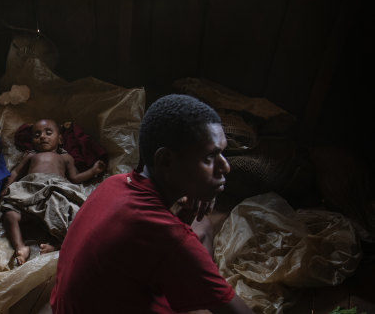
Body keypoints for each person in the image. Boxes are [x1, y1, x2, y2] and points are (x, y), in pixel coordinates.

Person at [51, 94, 254, 313]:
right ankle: (203, 290)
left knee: (201, 225)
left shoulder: (114, 183)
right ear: (166, 161)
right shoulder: (170, 237)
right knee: (196, 250)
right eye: (210, 157)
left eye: (222, 154)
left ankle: (201, 286)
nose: (225, 167)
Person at [0, 119, 105, 265]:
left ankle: (56, 245)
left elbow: (75, 178)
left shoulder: (65, 157)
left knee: (64, 214)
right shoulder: (31, 155)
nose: (42, 136)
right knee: (10, 214)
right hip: (30, 190)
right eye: (37, 135)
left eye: (48, 133)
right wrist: (6, 187)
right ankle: (21, 247)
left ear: (60, 139)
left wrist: (93, 171)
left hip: (54, 189)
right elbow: (15, 172)